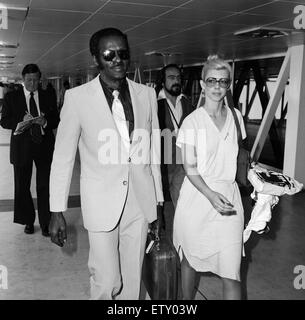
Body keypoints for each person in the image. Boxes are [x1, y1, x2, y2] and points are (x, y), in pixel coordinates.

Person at [48, 27, 163, 300]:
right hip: (101, 202)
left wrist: (157, 204)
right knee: (107, 278)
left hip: (139, 201)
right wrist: (56, 210)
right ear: (95, 58)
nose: (117, 60)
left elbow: (153, 153)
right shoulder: (77, 99)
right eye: (109, 54)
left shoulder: (146, 95)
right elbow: (62, 158)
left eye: (123, 53)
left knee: (133, 279)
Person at [173, 55, 246, 300]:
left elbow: (240, 159)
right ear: (203, 84)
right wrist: (210, 194)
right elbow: (190, 168)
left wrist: (263, 187)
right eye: (212, 81)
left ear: (228, 86)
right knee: (191, 261)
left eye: (223, 82)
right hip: (198, 198)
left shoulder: (236, 117)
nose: (217, 86)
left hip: (228, 200)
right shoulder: (192, 122)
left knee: (231, 271)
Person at [0, 64, 60, 236]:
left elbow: (56, 118)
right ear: (23, 79)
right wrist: (21, 120)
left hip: (44, 146)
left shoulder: (48, 95)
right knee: (22, 186)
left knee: (44, 186)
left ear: (39, 79)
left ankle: (46, 222)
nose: (33, 84)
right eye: (29, 80)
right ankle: (27, 220)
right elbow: (4, 121)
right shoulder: (12, 97)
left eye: (35, 80)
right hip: (22, 147)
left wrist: (46, 122)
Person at [157, 64, 194, 209]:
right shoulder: (154, 103)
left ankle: (183, 229)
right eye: (171, 78)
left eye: (178, 77)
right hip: (161, 164)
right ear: (162, 81)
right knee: (156, 205)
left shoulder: (186, 103)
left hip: (181, 163)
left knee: (182, 205)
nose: (176, 81)